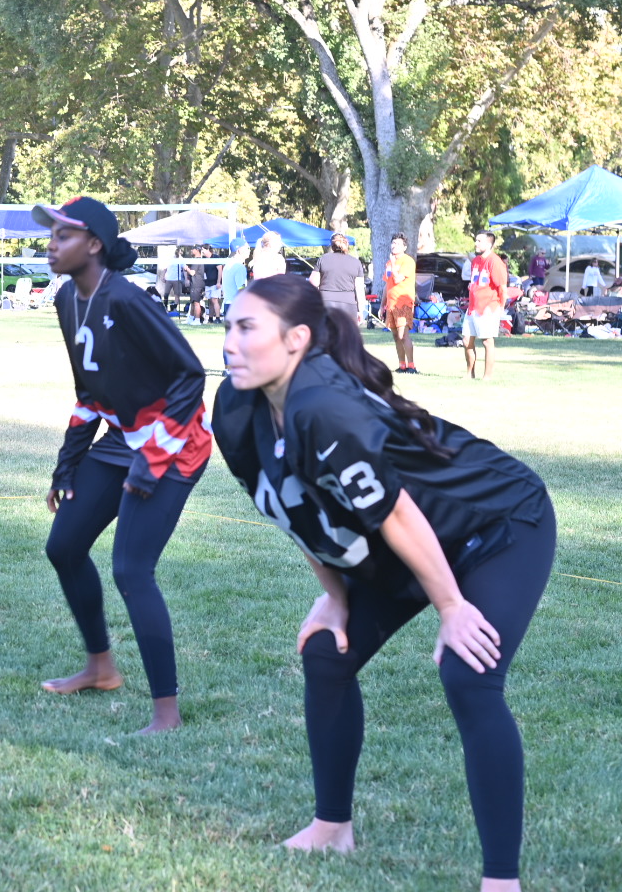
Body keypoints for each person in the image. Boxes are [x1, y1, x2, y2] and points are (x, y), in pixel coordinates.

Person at [214, 275, 555, 891]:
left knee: (469, 673)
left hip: (498, 521)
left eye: (247, 328)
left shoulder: (321, 405)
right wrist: (335, 596)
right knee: (327, 653)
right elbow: (289, 509)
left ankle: (501, 881)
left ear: (296, 339)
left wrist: (451, 607)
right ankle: (332, 829)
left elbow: (397, 512)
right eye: (228, 327)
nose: (229, 343)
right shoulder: (236, 407)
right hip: (412, 541)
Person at [33, 196, 213, 735]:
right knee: (64, 547)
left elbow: (190, 377)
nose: (50, 245)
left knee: (132, 570)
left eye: (63, 235)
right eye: (51, 235)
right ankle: (101, 669)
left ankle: (166, 714)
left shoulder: (129, 300)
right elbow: (89, 392)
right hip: (121, 441)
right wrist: (67, 467)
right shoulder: (66, 299)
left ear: (94, 244)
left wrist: (152, 459)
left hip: (175, 445)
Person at [464, 232, 507, 381]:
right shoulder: (476, 261)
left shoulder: (495, 262)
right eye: (476, 240)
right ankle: (470, 373)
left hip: (489, 306)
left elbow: (502, 288)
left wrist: (501, 307)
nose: (476, 243)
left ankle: (487, 376)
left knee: (487, 341)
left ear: (489, 244)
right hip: (473, 306)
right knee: (466, 341)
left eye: (479, 241)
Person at [381, 233, 418, 374]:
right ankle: (402, 365)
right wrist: (382, 305)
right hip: (391, 304)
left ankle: (411, 366)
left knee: (403, 335)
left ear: (404, 247)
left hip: (403, 303)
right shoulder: (389, 263)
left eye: (398, 244)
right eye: (393, 243)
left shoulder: (407, 261)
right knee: (396, 336)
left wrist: (394, 264)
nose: (394, 246)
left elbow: (397, 280)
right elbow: (387, 285)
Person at [310, 233, 366, 326]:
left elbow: (313, 283)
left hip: (326, 302)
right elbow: (359, 290)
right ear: (346, 244)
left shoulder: (323, 259)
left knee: (326, 333)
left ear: (332, 245)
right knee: (346, 333)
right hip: (348, 304)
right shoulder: (356, 262)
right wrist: (360, 311)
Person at [187, 249, 208, 325]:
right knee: (193, 302)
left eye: (193, 249)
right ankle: (190, 319)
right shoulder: (198, 260)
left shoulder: (197, 261)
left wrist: (186, 268)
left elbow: (192, 273)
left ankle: (197, 320)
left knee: (196, 302)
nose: (191, 250)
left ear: (197, 250)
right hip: (196, 284)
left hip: (197, 284)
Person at [202, 251, 224, 324]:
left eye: (203, 250)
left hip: (215, 283)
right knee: (210, 301)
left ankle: (218, 318)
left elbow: (220, 270)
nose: (202, 252)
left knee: (215, 300)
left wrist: (218, 282)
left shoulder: (216, 257)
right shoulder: (204, 259)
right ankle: (210, 318)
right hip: (208, 283)